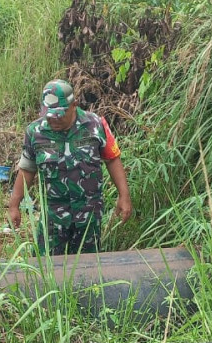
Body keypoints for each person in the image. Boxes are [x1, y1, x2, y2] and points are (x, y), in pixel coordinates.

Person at [7, 80, 132, 255]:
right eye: (49, 115)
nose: (54, 119)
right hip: (53, 216)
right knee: (47, 264)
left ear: (74, 105)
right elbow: (27, 169)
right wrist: (14, 205)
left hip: (88, 214)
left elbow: (112, 159)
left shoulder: (95, 125)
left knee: (88, 266)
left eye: (59, 114)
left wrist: (124, 196)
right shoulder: (35, 132)